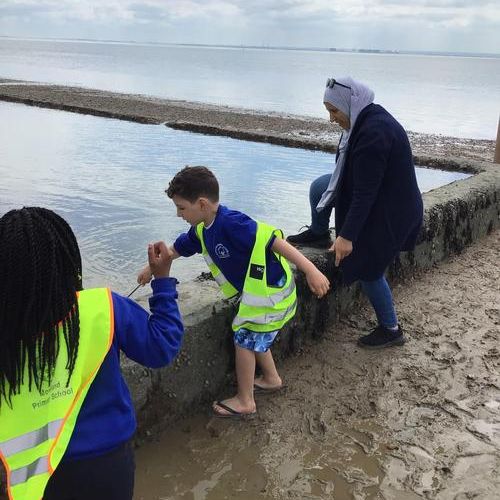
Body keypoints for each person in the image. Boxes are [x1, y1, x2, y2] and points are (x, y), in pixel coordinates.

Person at [0, 207, 184, 500]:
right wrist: (162, 281)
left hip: (30, 473)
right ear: (68, 261)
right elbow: (161, 346)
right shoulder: (103, 307)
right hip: (106, 464)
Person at [137, 166, 330, 418]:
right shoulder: (201, 230)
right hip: (259, 295)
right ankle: (271, 378)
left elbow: (275, 242)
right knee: (255, 335)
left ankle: (245, 400)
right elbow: (176, 250)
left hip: (270, 294)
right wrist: (150, 269)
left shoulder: (232, 223)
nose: (178, 214)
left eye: (181, 208)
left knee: (244, 338)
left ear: (202, 204)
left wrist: (311, 270)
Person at [287, 76, 423, 349]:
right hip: (376, 191)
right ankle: (319, 233)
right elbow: (354, 179)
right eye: (328, 111)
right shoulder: (361, 118)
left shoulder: (374, 133)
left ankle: (391, 329)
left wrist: (347, 236)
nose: (331, 119)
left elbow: (365, 194)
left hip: (393, 208)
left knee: (367, 266)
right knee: (320, 188)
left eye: (334, 111)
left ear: (349, 103)